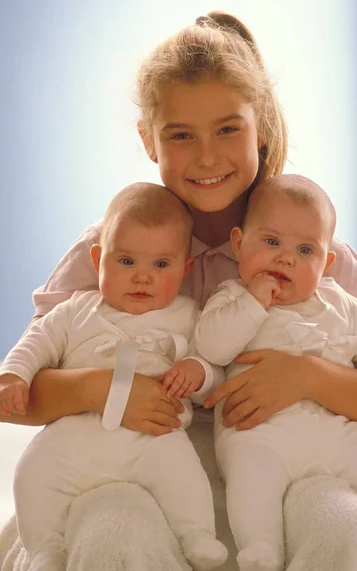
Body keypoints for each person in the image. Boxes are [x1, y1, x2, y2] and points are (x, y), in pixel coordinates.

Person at [1, 11, 357, 571]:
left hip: (291, 473)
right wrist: (108, 388)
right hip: (132, 471)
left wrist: (308, 376)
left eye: (228, 129)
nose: (207, 156)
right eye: (180, 135)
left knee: (351, 530)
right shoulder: (110, 253)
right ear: (148, 139)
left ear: (260, 125)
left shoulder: (318, 257)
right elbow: (19, 397)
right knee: (112, 531)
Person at [0, 183, 228, 571]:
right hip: (74, 434)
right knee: (33, 473)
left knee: (183, 473)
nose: (143, 278)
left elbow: (215, 365)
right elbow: (35, 343)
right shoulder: (76, 310)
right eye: (126, 262)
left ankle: (197, 537)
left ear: (184, 268)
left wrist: (198, 372)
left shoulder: (189, 315)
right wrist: (12, 375)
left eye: (161, 265)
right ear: (98, 258)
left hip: (154, 436)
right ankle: (45, 550)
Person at [195, 174, 357, 571]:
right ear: (240, 244)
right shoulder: (233, 296)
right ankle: (260, 547)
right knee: (249, 475)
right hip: (260, 431)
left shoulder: (340, 301)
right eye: (271, 242)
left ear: (326, 264)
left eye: (305, 250)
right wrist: (254, 302)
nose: (285, 258)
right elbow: (212, 347)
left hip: (336, 429)